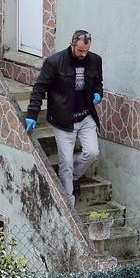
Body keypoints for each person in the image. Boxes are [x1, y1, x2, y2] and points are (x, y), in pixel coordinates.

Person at [24, 30, 103, 206]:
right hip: (63, 120)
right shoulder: (54, 62)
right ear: (72, 44)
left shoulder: (95, 60)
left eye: (86, 51)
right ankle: (69, 203)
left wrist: (98, 93)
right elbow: (39, 88)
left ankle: (73, 177)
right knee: (65, 163)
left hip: (86, 117)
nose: (83, 54)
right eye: (80, 50)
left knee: (92, 152)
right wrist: (32, 114)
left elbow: (98, 82)